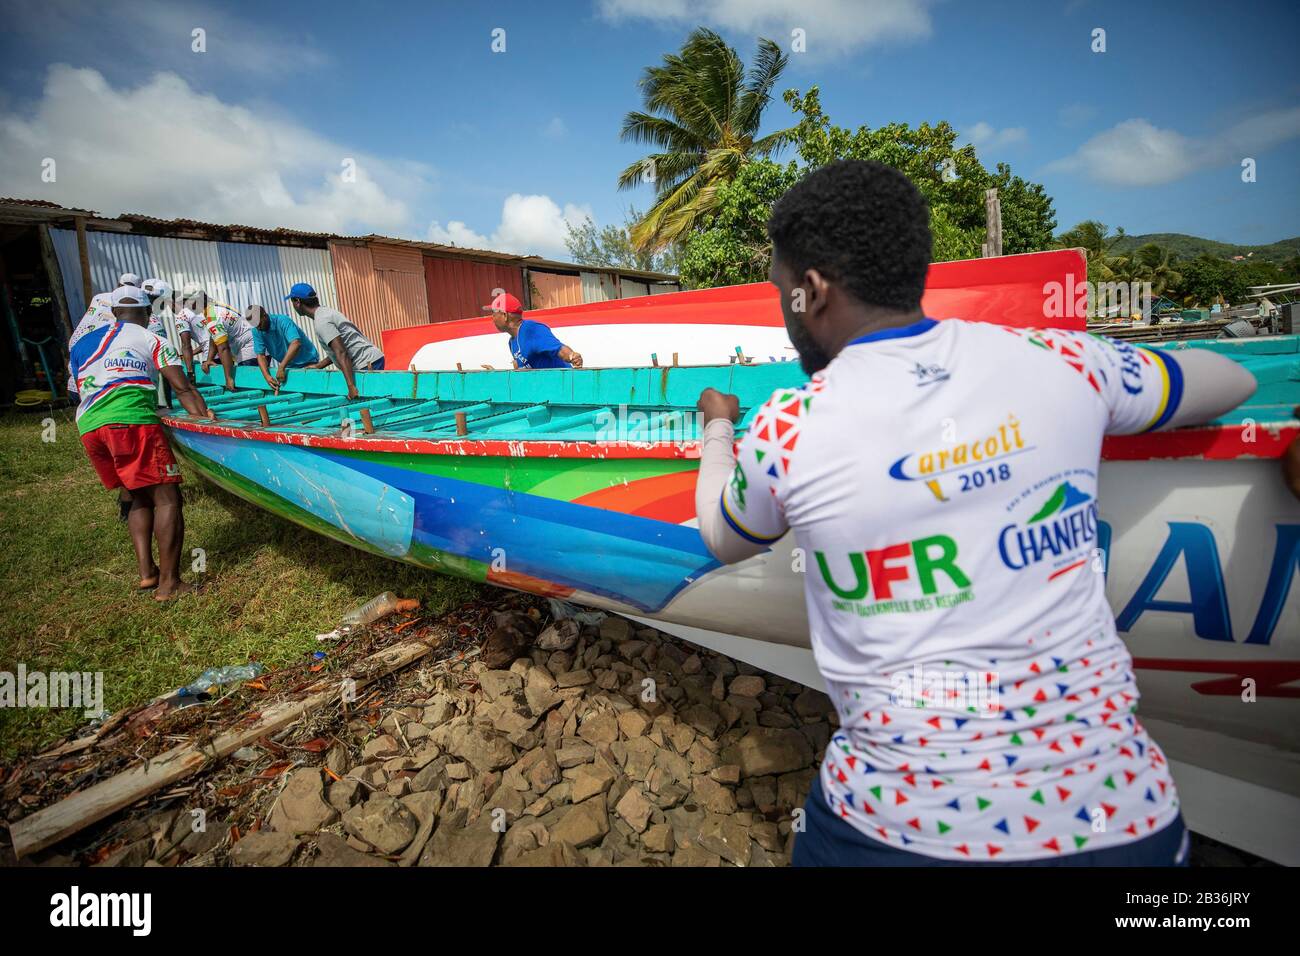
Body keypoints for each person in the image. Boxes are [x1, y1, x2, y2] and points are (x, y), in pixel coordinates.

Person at [693, 159, 1258, 866]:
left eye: (783, 292)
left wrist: (718, 427)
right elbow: (1232, 378)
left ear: (812, 290)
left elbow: (720, 537)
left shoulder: (790, 426)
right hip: (1123, 827)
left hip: (890, 833)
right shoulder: (1062, 361)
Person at [70, 285, 214, 600]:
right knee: (167, 498)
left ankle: (148, 574)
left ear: (114, 313)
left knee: (136, 496)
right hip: (131, 422)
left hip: (90, 427)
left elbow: (78, 386)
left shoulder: (82, 344)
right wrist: (206, 422)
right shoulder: (152, 338)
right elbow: (183, 387)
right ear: (148, 313)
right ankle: (170, 584)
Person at [286, 282, 384, 400]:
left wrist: (351, 386)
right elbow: (338, 349)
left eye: (292, 301)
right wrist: (319, 366)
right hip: (369, 359)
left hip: (366, 364)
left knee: (370, 405)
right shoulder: (324, 312)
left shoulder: (322, 322)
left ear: (297, 301)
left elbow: (341, 352)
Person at [484, 291, 582, 370]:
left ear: (505, 315)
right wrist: (496, 374)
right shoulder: (512, 342)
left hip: (559, 385)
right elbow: (520, 371)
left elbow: (559, 349)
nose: (492, 318)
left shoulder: (531, 329)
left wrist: (572, 356)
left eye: (494, 314)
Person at [177, 284, 243, 391]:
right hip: (230, 352)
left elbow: (186, 345)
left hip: (232, 351)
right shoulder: (214, 306)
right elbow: (212, 338)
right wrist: (209, 359)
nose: (187, 306)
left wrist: (190, 372)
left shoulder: (185, 316)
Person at [245, 305, 320, 392]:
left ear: (265, 315)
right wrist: (267, 376)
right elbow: (260, 355)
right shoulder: (256, 330)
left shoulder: (283, 320)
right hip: (289, 367)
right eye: (255, 326)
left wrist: (281, 367)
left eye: (259, 324)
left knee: (311, 392)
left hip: (308, 362)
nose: (259, 328)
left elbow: (296, 344)